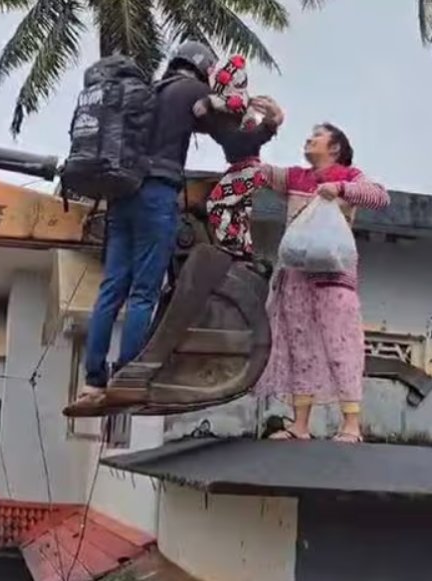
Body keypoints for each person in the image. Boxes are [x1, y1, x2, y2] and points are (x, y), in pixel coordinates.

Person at [63, 41, 221, 417]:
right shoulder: (192, 91)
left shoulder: (148, 92)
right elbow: (228, 134)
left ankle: (93, 380)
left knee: (112, 288)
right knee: (144, 293)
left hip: (122, 193)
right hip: (156, 196)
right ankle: (128, 377)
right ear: (202, 67)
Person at [254, 122, 389, 443]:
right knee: (301, 347)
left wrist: (341, 190)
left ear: (335, 148)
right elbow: (255, 171)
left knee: (341, 345)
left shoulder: (350, 176)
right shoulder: (295, 177)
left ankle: (351, 426)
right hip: (296, 274)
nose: (309, 140)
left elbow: (380, 197)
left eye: (317, 137)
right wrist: (260, 126)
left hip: (334, 276)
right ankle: (300, 426)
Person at [199, 95, 283, 257]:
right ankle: (245, 247)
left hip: (245, 171)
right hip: (251, 172)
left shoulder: (239, 117)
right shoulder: (240, 114)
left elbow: (245, 139)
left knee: (216, 204)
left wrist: (272, 122)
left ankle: (233, 241)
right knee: (241, 213)